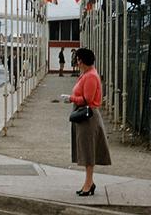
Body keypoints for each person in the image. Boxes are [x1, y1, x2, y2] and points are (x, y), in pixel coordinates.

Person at [61, 48, 111, 197]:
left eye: (77, 59)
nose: (76, 61)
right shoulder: (87, 74)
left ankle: (88, 184)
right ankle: (89, 182)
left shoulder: (90, 76)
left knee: (88, 151)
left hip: (88, 117)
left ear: (81, 60)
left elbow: (87, 100)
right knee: (85, 149)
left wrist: (70, 98)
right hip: (84, 116)